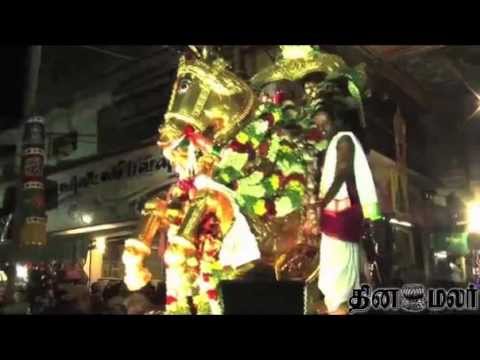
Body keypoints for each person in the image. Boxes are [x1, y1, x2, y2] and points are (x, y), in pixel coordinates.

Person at [315, 102, 381, 315]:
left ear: (337, 120)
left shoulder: (344, 139)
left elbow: (342, 172)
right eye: (319, 126)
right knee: (334, 278)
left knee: (338, 280)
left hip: (341, 216)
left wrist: (321, 202)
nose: (322, 129)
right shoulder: (337, 140)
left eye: (325, 123)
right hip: (337, 216)